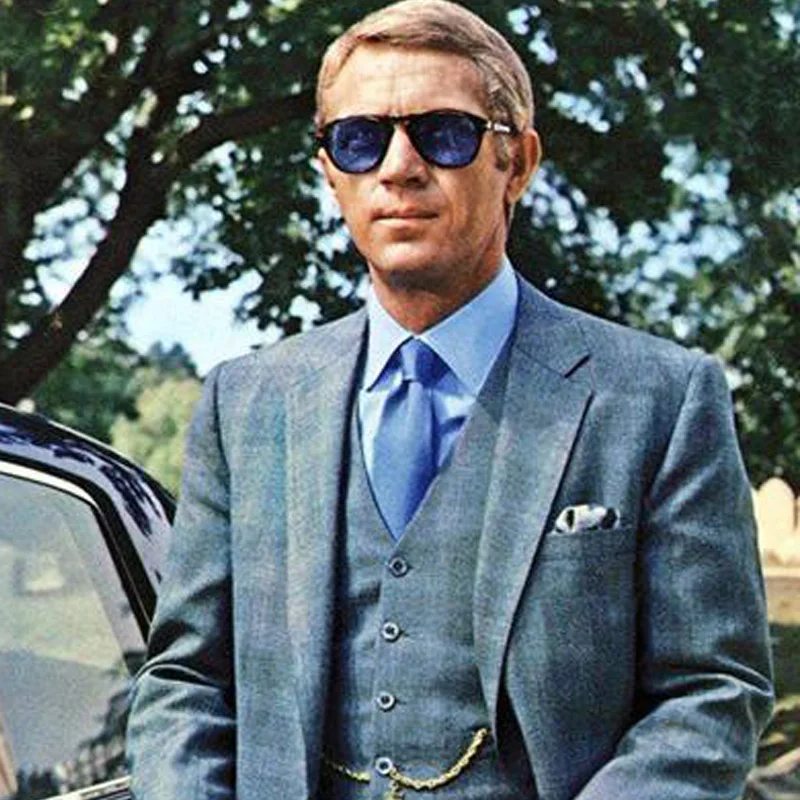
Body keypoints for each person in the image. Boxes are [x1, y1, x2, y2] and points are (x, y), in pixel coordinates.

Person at [126, 2, 774, 798]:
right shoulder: (247, 403)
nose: (399, 166)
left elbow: (711, 694)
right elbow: (185, 681)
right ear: (330, 172)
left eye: (444, 133)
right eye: (360, 139)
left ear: (517, 162)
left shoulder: (660, 399)